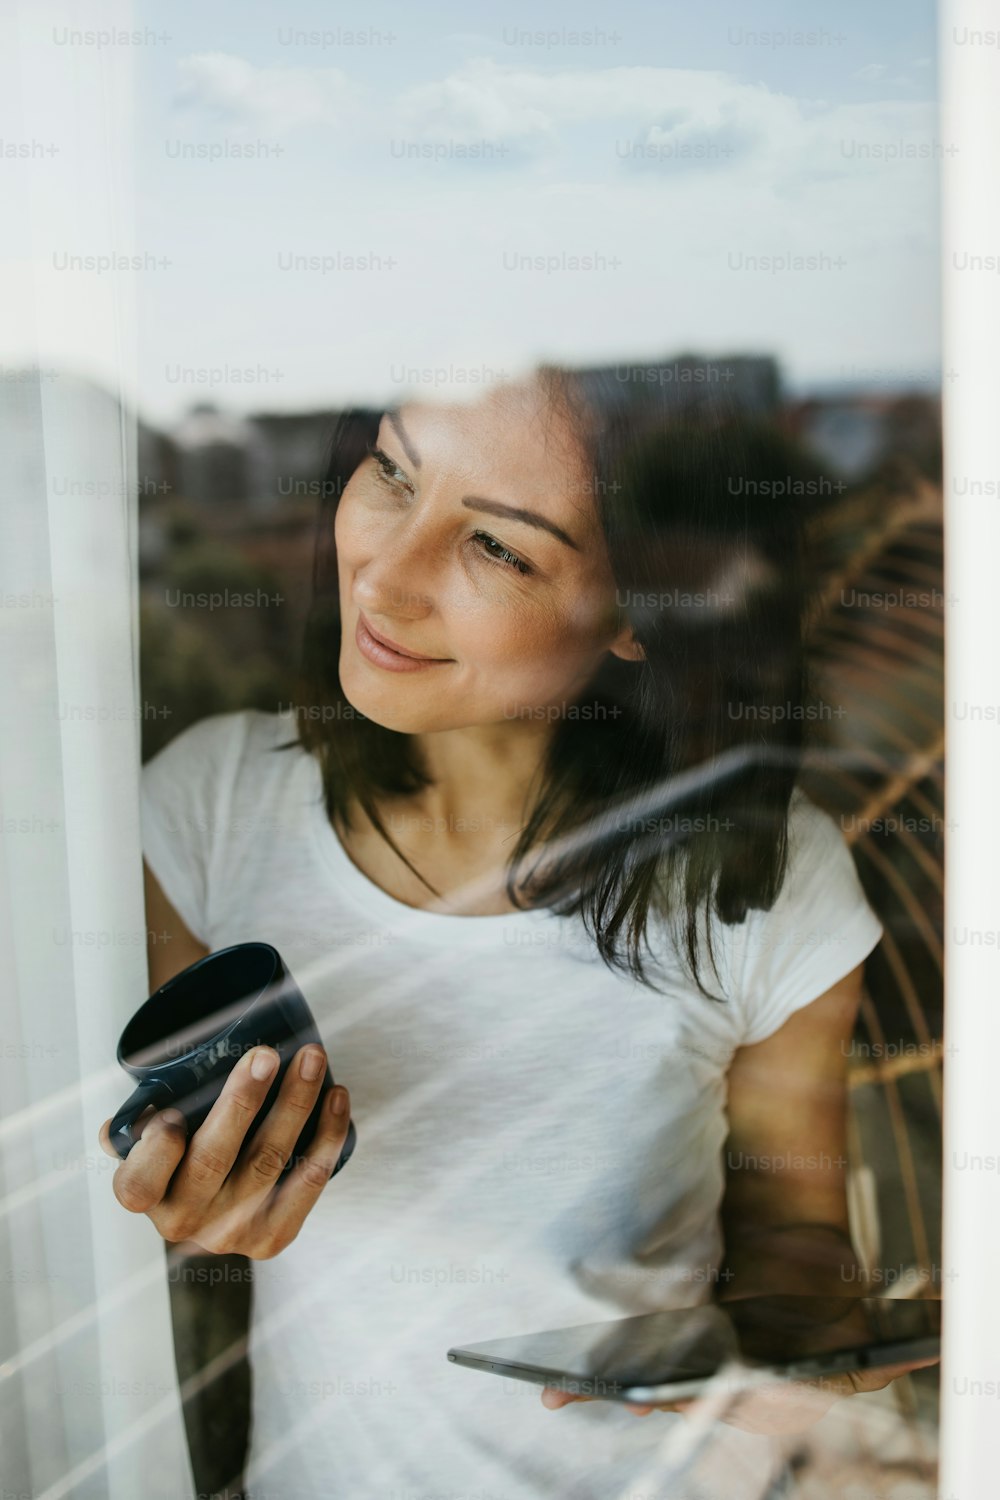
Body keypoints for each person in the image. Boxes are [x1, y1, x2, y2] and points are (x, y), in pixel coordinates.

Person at [100, 367, 927, 1498]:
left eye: (498, 547)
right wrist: (177, 1203)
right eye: (391, 472)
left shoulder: (758, 875)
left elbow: (792, 1231)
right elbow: (112, 1150)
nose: (384, 577)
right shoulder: (210, 806)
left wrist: (799, 1351)